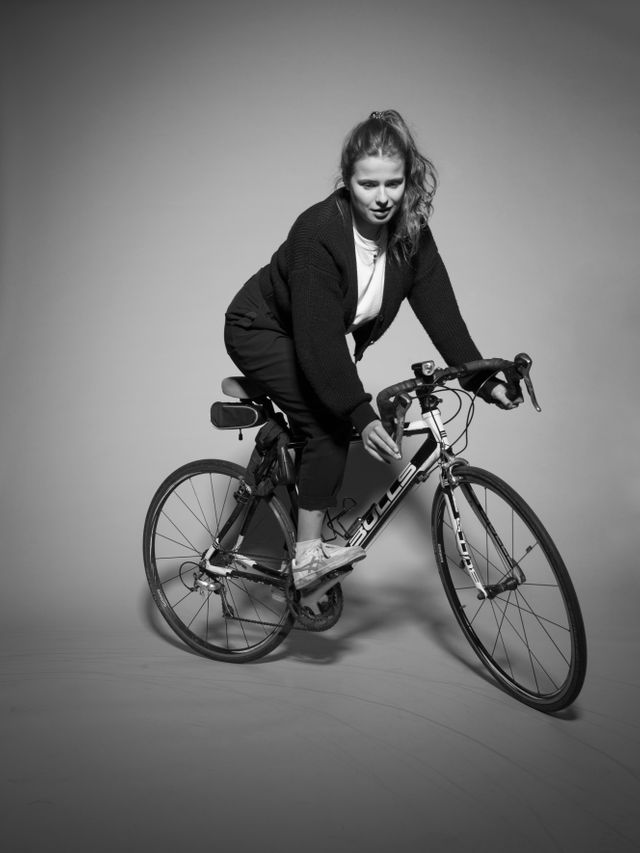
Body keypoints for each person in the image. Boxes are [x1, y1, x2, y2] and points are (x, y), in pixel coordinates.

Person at [224, 109, 521, 592]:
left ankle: (300, 500)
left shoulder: (410, 233)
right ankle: (307, 556)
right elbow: (320, 345)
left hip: (309, 335)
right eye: (368, 184)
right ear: (347, 180)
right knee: (328, 424)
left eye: (393, 183)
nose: (382, 198)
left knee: (333, 414)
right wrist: (360, 415)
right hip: (260, 328)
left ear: (408, 179)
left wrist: (482, 379)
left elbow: (442, 315)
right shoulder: (318, 232)